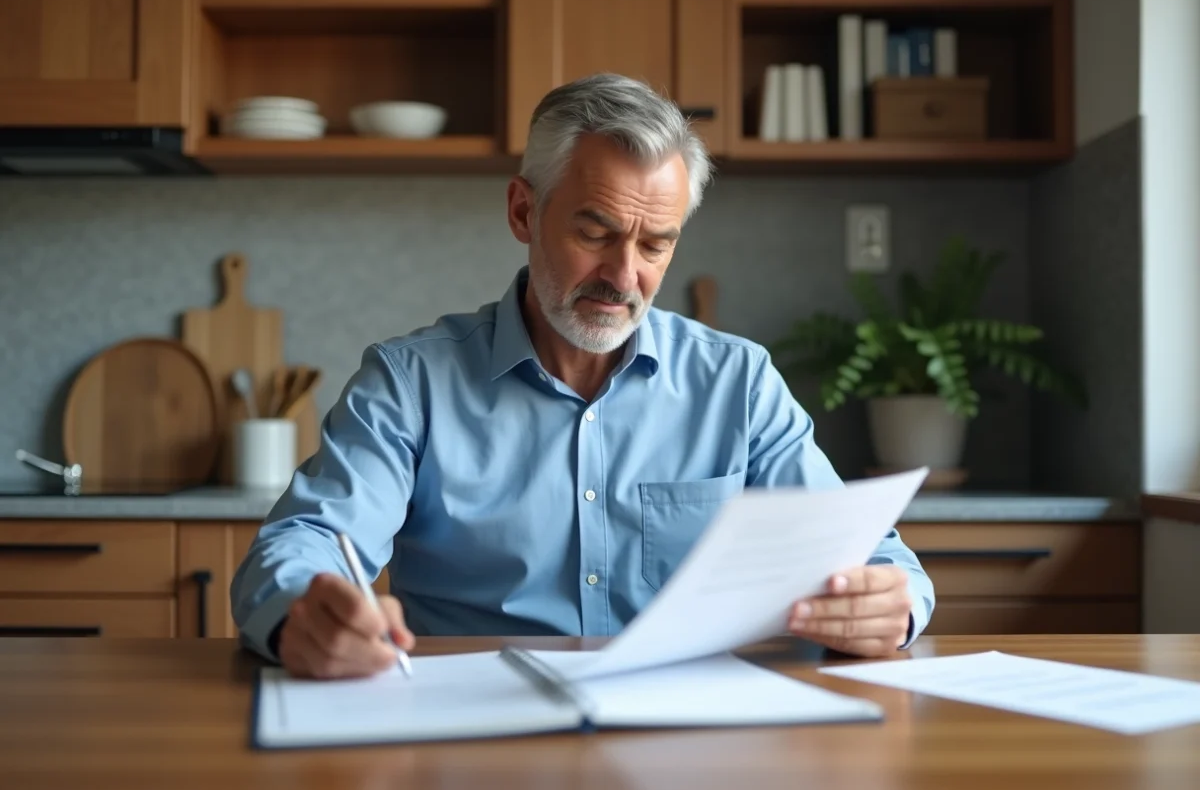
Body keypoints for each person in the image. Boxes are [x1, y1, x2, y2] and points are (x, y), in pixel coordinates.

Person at [230, 73, 935, 680]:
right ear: (523, 211)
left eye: (655, 244)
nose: (624, 277)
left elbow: (874, 554)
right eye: (595, 233)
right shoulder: (410, 382)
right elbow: (306, 539)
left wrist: (890, 605)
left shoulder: (738, 382)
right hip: (470, 731)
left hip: (690, 743)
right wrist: (305, 609)